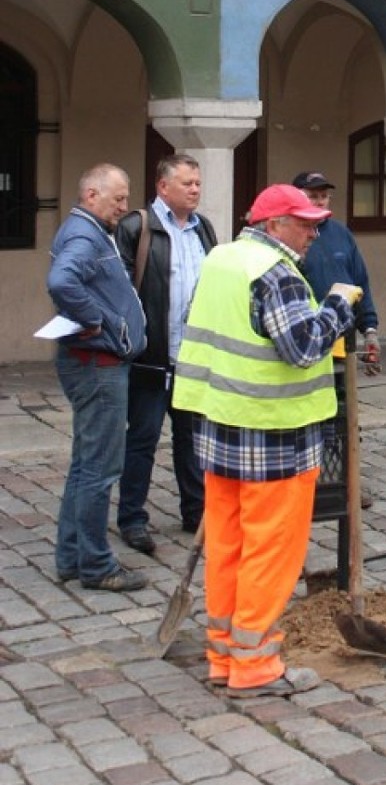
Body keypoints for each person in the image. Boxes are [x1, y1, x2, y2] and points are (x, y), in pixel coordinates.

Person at [172, 183, 362, 698]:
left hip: (220, 430)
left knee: (228, 547)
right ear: (273, 224)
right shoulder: (276, 273)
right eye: (303, 223)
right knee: (270, 552)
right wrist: (339, 307)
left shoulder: (221, 260)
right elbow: (303, 346)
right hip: (275, 439)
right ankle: (254, 667)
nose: (313, 232)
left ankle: (222, 654)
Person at [47, 163, 148, 591]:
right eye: (118, 199)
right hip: (98, 367)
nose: (124, 207)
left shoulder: (86, 230)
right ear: (92, 195)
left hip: (94, 364)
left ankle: (72, 557)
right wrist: (96, 321)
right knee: (101, 469)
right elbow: (62, 281)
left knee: (86, 464)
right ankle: (96, 566)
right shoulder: (84, 235)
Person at [115, 153, 217, 553]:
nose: (195, 189)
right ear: (163, 186)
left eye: (197, 183)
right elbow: (120, 290)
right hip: (151, 356)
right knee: (142, 439)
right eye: (187, 183)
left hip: (191, 357)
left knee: (191, 440)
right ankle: (132, 518)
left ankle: (196, 512)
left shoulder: (202, 229)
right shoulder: (137, 227)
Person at [292, 171, 381, 376]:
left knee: (343, 400)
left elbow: (360, 282)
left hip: (343, 337)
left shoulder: (341, 233)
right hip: (308, 334)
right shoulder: (291, 236)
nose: (320, 201)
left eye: (324, 196)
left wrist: (369, 330)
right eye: (313, 196)